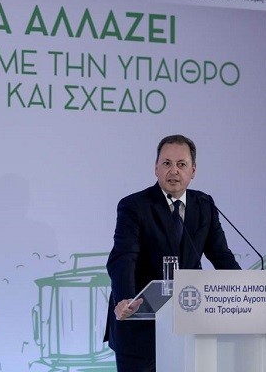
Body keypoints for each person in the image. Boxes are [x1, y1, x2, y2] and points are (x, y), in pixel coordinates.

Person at [104, 134, 241, 371]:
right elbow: (124, 258)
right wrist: (126, 298)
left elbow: (221, 255)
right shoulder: (134, 206)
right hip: (140, 327)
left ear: (193, 170)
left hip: (189, 323)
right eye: (167, 163)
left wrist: (246, 289)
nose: (174, 171)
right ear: (156, 168)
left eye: (181, 164)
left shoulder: (204, 204)